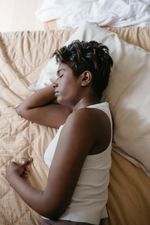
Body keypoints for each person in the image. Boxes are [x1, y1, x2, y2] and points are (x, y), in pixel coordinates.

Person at [6, 40, 113, 225]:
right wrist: (62, 82)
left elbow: (52, 207)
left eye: (61, 75)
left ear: (85, 78)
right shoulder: (82, 117)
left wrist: (12, 177)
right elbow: (25, 109)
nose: (54, 83)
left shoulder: (84, 120)